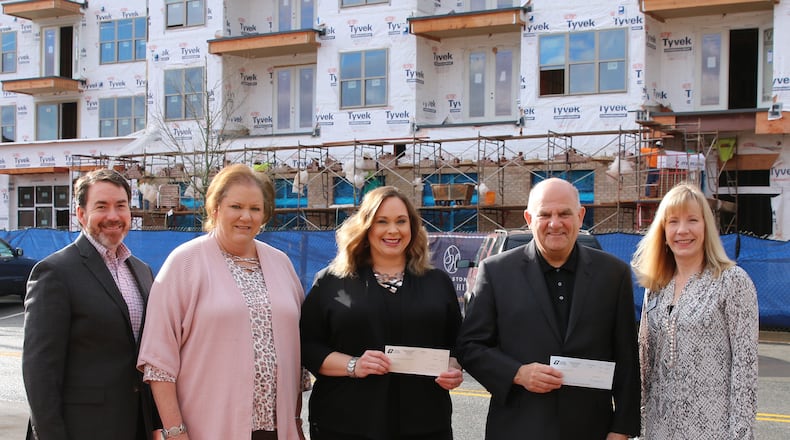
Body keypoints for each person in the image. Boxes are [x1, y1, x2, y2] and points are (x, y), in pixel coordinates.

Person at [457, 177, 640, 440]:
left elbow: (626, 359)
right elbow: (470, 346)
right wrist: (517, 373)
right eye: (545, 214)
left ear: (580, 216)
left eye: (564, 213)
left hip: (591, 430)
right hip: (518, 428)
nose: (555, 223)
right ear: (529, 219)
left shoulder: (613, 274)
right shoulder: (496, 272)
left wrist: (622, 429)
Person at [137, 164, 306, 440]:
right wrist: (175, 431)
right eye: (236, 206)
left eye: (255, 208)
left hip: (278, 431)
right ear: (215, 209)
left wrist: (297, 423)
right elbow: (159, 363)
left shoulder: (282, 264)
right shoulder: (185, 263)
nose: (246, 216)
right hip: (207, 429)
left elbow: (296, 360)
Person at [300, 186, 463, 440]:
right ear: (366, 228)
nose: (393, 230)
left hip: (424, 423)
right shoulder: (332, 282)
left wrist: (453, 368)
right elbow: (307, 346)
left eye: (401, 221)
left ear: (413, 227)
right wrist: (354, 365)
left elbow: (457, 344)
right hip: (346, 423)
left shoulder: (437, 282)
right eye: (381, 221)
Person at [22, 168, 159, 439]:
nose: (113, 216)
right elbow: (40, 373)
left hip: (135, 426)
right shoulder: (54, 272)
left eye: (121, 206)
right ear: (81, 214)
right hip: (82, 429)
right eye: (101, 206)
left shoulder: (142, 271)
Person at [631, 182, 758, 439]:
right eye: (673, 222)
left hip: (714, 429)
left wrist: (740, 435)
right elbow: (645, 365)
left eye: (692, 220)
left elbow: (745, 369)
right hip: (659, 430)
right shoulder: (655, 286)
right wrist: (637, 428)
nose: (682, 230)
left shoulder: (732, 281)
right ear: (663, 231)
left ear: (706, 227)